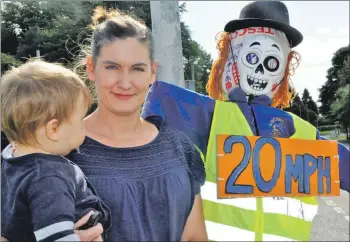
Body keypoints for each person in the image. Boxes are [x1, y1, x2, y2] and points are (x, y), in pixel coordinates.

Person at [141, 1, 350, 241]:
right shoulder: (206, 116)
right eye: (252, 56)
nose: (261, 70)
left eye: (272, 61)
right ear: (232, 55)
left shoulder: (302, 132)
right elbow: (142, 120)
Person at [67, 6, 207, 241]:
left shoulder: (178, 148)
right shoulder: (62, 150)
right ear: (91, 68)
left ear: (152, 72)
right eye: (112, 67)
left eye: (137, 69)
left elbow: (194, 236)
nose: (125, 82)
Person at [1, 60, 111, 242]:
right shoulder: (49, 176)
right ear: (54, 129)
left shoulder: (10, 159)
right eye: (80, 119)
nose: (84, 125)